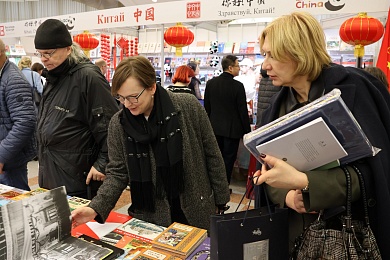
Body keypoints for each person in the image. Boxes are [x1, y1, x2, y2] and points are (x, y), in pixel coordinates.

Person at [251, 12, 390, 258]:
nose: (265, 65)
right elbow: (269, 176)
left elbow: (377, 172)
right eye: (264, 55)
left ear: (299, 51)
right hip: (294, 237)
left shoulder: (355, 91)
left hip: (349, 239)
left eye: (273, 54)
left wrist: (306, 183)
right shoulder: (276, 107)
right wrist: (287, 196)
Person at [71, 56, 230, 231]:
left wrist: (221, 201)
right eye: (121, 98)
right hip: (150, 215)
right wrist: (95, 207)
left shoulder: (187, 106)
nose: (127, 104)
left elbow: (212, 154)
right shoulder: (119, 124)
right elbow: (117, 173)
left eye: (133, 97)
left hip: (195, 207)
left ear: (152, 87)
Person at [34, 19, 119, 199]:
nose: (43, 59)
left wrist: (102, 164)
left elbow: (112, 126)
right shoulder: (53, 76)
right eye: (40, 54)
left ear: (68, 49)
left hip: (77, 181)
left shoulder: (88, 78)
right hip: (52, 175)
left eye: (48, 53)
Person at [204, 55, 251, 188]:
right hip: (232, 130)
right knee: (228, 160)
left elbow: (207, 108)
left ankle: (214, 186)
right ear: (230, 68)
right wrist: (247, 132)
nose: (239, 69)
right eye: (237, 66)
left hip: (214, 128)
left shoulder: (210, 83)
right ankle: (224, 187)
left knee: (215, 159)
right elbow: (242, 111)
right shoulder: (238, 86)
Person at [0, 39, 37, 190]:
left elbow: (25, 122)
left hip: (10, 160)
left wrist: (2, 155)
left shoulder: (13, 79)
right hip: (7, 155)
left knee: (15, 201)